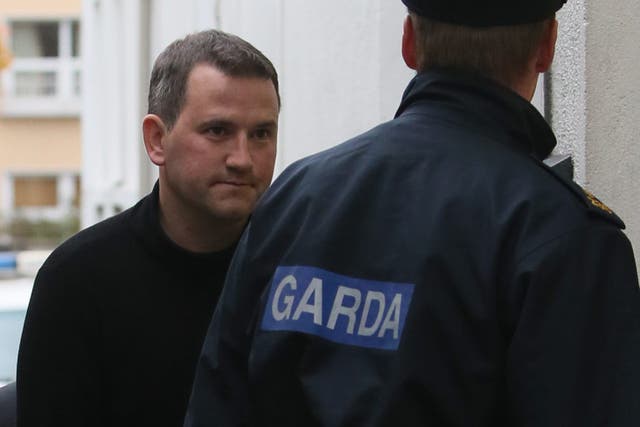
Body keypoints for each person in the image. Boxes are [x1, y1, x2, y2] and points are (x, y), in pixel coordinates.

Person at [185, 1, 640, 426]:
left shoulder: (296, 199)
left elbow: (217, 403)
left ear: (409, 43)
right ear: (546, 47)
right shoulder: (562, 234)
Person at [17, 29, 280, 427]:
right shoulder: (78, 282)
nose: (243, 159)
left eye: (261, 133)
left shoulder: (301, 269)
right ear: (157, 139)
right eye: (217, 131)